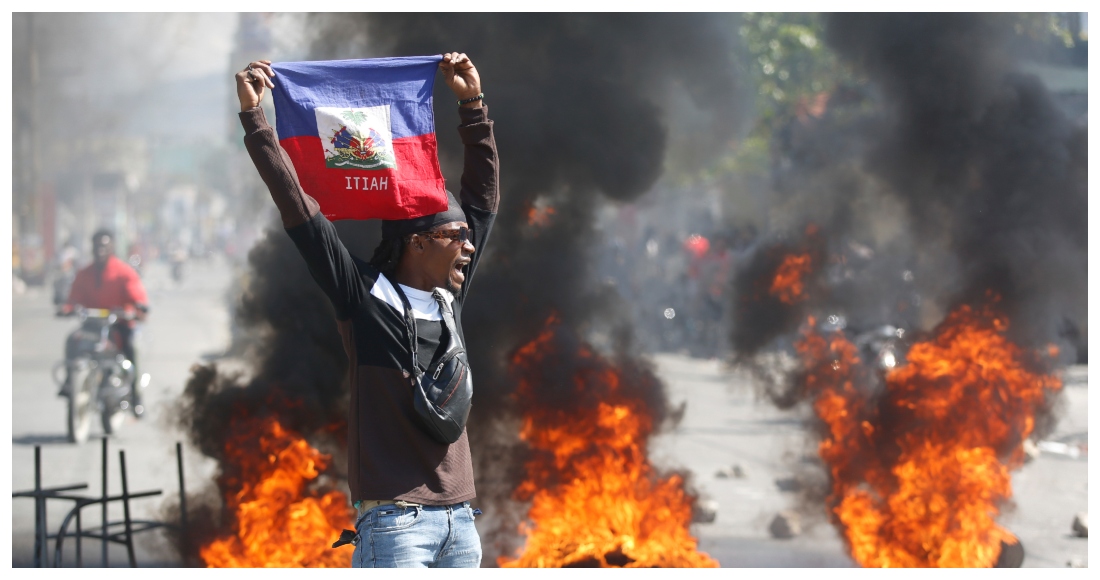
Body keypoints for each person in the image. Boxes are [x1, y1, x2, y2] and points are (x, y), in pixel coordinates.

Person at [235, 52, 497, 568]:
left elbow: (483, 201)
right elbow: (301, 211)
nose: (469, 245)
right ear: (416, 244)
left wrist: (472, 104)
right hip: (397, 527)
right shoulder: (362, 295)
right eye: (455, 236)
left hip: (462, 524)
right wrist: (256, 122)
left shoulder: (449, 299)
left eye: (468, 238)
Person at [60, 229, 150, 414]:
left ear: (112, 247)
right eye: (97, 245)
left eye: (104, 245)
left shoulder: (124, 272)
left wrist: (134, 310)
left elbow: (137, 298)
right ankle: (71, 383)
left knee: (131, 347)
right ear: (92, 248)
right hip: (92, 325)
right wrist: (67, 309)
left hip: (119, 325)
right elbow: (73, 298)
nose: (100, 249)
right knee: (72, 340)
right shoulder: (84, 273)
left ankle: (135, 396)